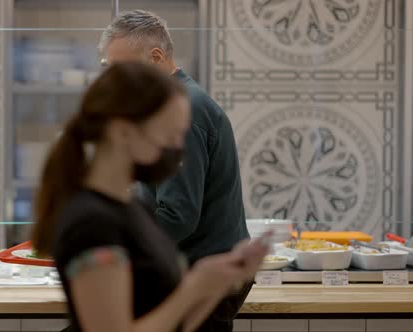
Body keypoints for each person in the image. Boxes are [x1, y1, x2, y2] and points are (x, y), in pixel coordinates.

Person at [31, 62, 269, 332]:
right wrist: (194, 287)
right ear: (123, 132)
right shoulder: (92, 224)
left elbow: (177, 322)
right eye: (169, 134)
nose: (179, 147)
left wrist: (217, 281)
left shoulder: (136, 208)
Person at [98, 10, 252, 331]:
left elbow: (177, 214)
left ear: (156, 58)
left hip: (204, 274)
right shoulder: (170, 104)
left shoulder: (182, 110)